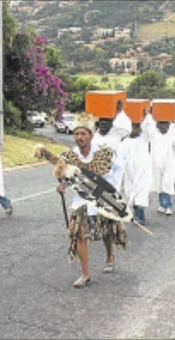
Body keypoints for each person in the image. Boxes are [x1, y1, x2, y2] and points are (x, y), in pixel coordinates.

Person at [56, 114, 125, 288]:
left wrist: (110, 187)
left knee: (107, 230)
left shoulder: (103, 153)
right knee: (79, 235)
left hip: (102, 199)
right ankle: (85, 274)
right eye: (77, 134)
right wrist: (62, 185)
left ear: (91, 136)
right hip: (81, 201)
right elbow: (64, 174)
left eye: (83, 134)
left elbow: (118, 169)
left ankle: (109, 255)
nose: (79, 137)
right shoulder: (71, 156)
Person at [118, 123, 150, 225]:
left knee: (141, 193)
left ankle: (139, 217)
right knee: (131, 192)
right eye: (132, 127)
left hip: (142, 171)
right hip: (129, 172)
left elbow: (149, 125)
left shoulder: (144, 139)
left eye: (136, 127)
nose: (133, 129)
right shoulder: (124, 142)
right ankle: (136, 212)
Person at [150, 121, 175, 215]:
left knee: (167, 184)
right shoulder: (154, 136)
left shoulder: (172, 136)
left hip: (169, 164)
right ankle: (162, 204)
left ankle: (168, 206)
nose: (163, 126)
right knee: (159, 185)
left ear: (168, 125)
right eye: (161, 124)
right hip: (157, 164)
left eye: (165, 124)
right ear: (157, 125)